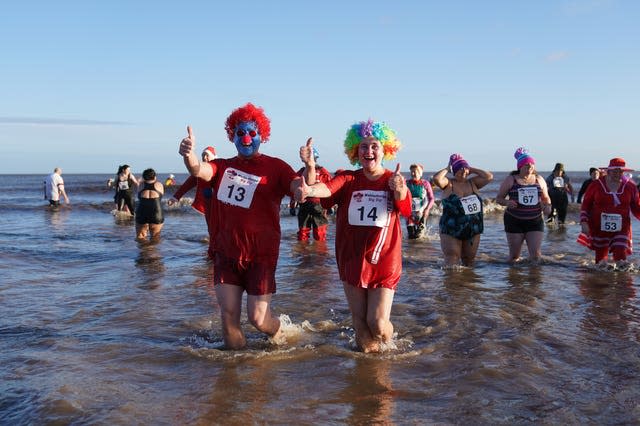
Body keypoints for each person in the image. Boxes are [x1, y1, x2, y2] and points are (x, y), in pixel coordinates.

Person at [178, 103, 302, 350]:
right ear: (232, 136)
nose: (246, 138)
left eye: (252, 133)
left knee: (258, 319)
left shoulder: (275, 166)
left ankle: (282, 331)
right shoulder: (222, 166)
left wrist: (300, 189)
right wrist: (188, 154)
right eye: (240, 133)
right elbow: (198, 170)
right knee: (228, 317)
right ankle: (235, 374)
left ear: (261, 136)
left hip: (261, 254)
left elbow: (295, 185)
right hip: (226, 252)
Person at [295, 119, 410, 353]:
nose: (369, 151)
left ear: (385, 149)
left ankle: (392, 346)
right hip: (351, 258)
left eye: (374, 146)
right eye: (363, 147)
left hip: (384, 259)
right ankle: (371, 375)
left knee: (376, 323)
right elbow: (326, 190)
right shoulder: (348, 179)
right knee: (360, 325)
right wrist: (309, 182)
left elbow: (406, 207)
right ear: (355, 151)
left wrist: (399, 187)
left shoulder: (392, 180)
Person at [432, 154, 493, 266]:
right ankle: (451, 282)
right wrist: (447, 168)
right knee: (452, 258)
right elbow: (436, 179)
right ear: (454, 171)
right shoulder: (448, 183)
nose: (464, 172)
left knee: (469, 259)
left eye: (465, 169)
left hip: (473, 228)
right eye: (460, 169)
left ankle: (466, 283)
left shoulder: (473, 182)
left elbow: (488, 177)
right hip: (451, 228)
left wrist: (470, 168)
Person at [578, 158, 640, 264]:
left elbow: (636, 207)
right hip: (599, 225)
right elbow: (586, 205)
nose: (618, 173)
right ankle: (603, 279)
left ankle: (622, 279)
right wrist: (584, 222)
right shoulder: (596, 185)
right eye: (615, 171)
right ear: (608, 171)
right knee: (601, 260)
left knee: (621, 256)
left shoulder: (630, 187)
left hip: (622, 226)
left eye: (620, 171)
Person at [496, 148, 552, 263]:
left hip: (535, 221)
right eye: (527, 165)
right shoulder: (511, 180)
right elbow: (499, 199)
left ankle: (535, 279)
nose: (530, 167)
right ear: (520, 166)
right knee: (514, 257)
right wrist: (507, 202)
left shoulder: (539, 179)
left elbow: (546, 198)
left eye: (532, 164)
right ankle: (514, 278)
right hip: (514, 221)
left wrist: (547, 207)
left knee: (536, 256)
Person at [169, 146, 218, 257]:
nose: (204, 157)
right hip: (207, 203)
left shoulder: (218, 167)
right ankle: (213, 251)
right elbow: (188, 184)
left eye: (207, 155)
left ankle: (217, 249)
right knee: (211, 228)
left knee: (219, 227)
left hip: (220, 204)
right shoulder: (200, 170)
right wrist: (176, 197)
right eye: (202, 155)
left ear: (213, 156)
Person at [295, 146, 332, 241]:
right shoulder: (301, 172)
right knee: (305, 231)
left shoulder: (323, 172)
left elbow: (330, 189)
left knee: (318, 231)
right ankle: (306, 251)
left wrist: (330, 205)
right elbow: (295, 188)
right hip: (306, 204)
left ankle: (317, 252)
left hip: (318, 204)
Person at [405, 164, 434, 239]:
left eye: (415, 172)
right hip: (409, 213)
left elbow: (431, 198)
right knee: (411, 236)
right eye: (411, 172)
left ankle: (421, 249)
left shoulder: (425, 184)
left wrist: (427, 209)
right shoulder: (406, 183)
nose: (413, 173)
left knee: (419, 236)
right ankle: (411, 250)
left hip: (422, 212)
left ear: (420, 173)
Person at [135, 168, 165, 240]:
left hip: (142, 211)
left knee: (140, 236)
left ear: (144, 177)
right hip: (156, 212)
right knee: (155, 237)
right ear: (155, 176)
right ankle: (152, 251)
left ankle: (143, 250)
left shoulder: (140, 185)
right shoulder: (159, 185)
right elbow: (162, 195)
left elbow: (138, 192)